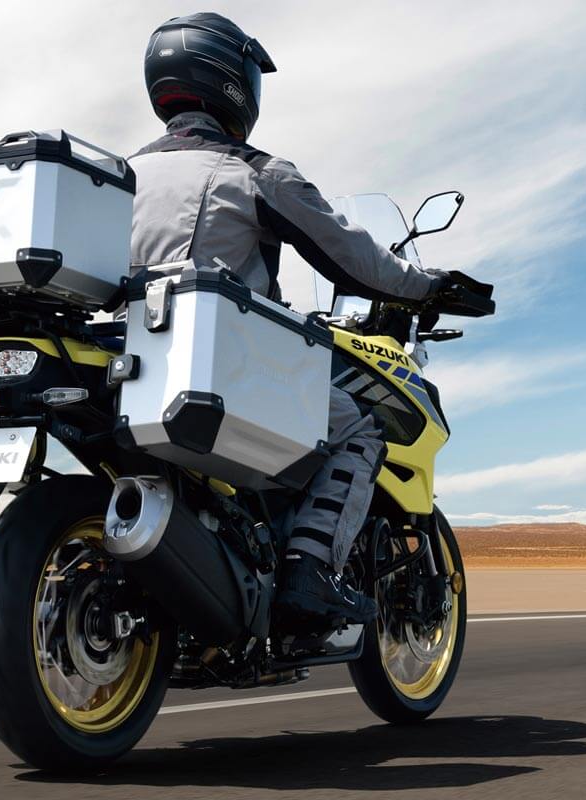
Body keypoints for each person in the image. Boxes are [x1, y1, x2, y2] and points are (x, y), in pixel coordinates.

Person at [127, 12, 467, 632]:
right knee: (357, 431)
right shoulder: (253, 171)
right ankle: (309, 573)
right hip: (217, 360)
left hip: (125, 359)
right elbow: (350, 256)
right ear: (233, 82)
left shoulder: (121, 175)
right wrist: (428, 286)